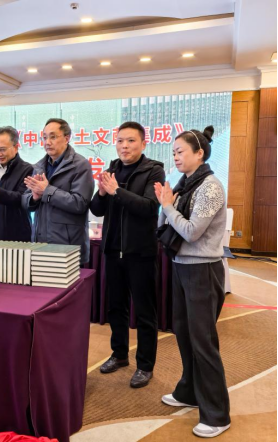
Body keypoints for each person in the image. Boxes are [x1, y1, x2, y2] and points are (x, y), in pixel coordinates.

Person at [155, 126, 231, 439]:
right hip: (181, 266)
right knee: (184, 335)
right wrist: (166, 204)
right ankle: (189, 391)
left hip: (202, 271)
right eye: (173, 152)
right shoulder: (184, 184)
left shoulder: (210, 187)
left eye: (180, 151)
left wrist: (167, 205)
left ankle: (217, 414)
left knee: (203, 343)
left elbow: (191, 232)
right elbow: (165, 225)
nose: (175, 156)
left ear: (199, 153)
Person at [90, 121, 166, 389]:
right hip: (113, 251)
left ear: (143, 143)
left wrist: (116, 191)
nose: (124, 146)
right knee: (116, 308)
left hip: (140, 252)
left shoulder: (154, 170)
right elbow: (97, 209)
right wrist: (102, 193)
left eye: (131, 141)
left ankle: (145, 365)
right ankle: (119, 354)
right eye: (120, 141)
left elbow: (149, 207)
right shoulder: (112, 169)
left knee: (145, 312)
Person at [22, 118, 94, 266]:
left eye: (53, 137)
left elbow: (80, 203)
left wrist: (46, 191)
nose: (47, 142)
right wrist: (34, 198)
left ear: (67, 138)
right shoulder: (39, 166)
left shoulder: (80, 165)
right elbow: (25, 199)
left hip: (67, 247)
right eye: (44, 137)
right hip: (40, 244)